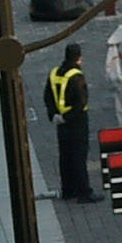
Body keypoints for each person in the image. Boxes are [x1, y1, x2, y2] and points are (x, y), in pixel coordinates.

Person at [49, 47, 90, 201]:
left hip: (60, 122)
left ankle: (68, 190)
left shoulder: (54, 73)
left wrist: (54, 115)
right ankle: (84, 191)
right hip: (77, 121)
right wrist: (68, 116)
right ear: (79, 58)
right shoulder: (77, 76)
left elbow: (48, 96)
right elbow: (81, 102)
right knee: (79, 156)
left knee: (65, 156)